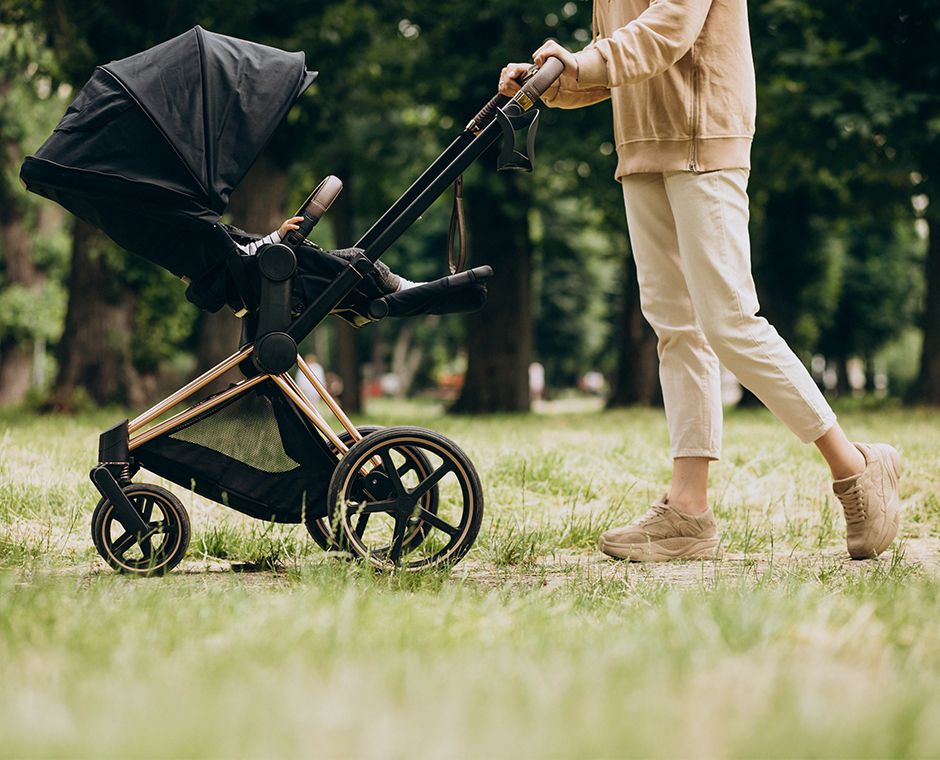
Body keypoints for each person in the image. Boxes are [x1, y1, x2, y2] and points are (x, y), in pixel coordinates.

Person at [499, 0, 901, 562]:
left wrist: (582, 64)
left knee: (730, 320)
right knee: (676, 328)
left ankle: (856, 468)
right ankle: (688, 513)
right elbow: (618, 60)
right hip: (640, 150)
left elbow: (669, 30)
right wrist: (553, 81)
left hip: (704, 139)